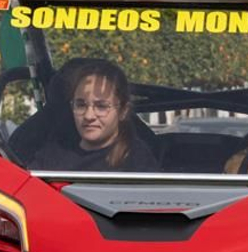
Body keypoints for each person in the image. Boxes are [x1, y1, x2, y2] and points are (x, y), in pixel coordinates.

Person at [30, 59, 159, 172]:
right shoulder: (52, 155)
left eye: (101, 106)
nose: (89, 116)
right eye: (80, 105)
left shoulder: (137, 160)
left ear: (123, 111)